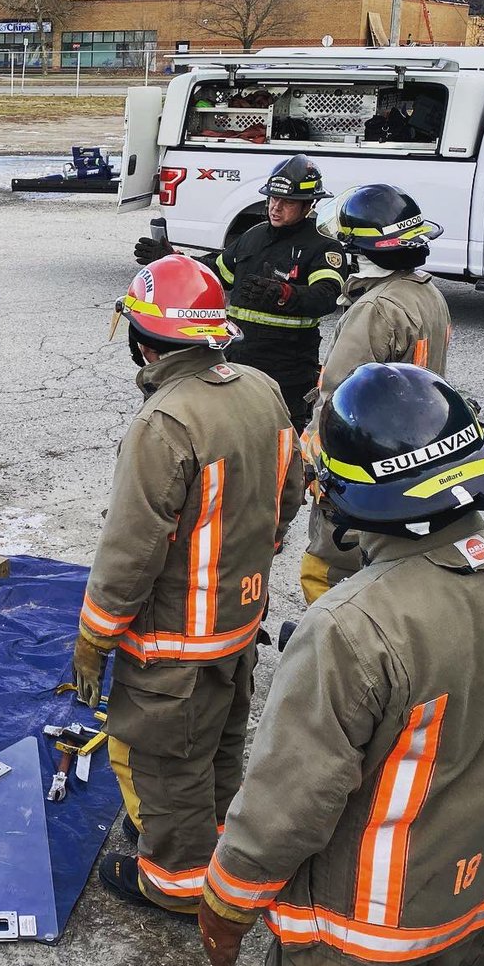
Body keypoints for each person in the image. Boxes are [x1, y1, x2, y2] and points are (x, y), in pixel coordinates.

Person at [200, 362, 484, 966]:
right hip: (479, 910)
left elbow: (289, 802)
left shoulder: (352, 629)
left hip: (363, 946)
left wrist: (226, 900)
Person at [71, 254, 304, 916]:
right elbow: (290, 492)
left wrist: (95, 637)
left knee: (168, 764)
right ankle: (218, 848)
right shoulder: (263, 389)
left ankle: (175, 885)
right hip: (237, 628)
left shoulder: (165, 421)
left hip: (174, 646)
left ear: (146, 341)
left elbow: (131, 551)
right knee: (221, 748)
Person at [300, 184, 451, 603]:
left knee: (334, 565)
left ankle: (333, 646)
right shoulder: (427, 293)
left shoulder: (374, 308)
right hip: (414, 443)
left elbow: (338, 397)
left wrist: (315, 461)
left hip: (367, 454)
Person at [135, 155, 346, 432]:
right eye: (272, 199)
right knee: (231, 433)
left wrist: (285, 294)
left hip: (287, 370)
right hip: (235, 361)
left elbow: (327, 295)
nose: (276, 207)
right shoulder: (254, 236)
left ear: (309, 205)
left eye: (288, 202)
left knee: (280, 439)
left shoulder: (322, 246)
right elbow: (215, 272)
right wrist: (174, 259)